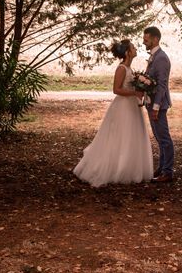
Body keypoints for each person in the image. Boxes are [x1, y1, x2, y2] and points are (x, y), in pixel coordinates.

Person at [73, 39, 154, 187]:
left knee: (131, 136)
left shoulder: (130, 68)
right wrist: (134, 92)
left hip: (132, 106)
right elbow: (116, 90)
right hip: (122, 107)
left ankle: (128, 168)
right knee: (120, 136)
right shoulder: (122, 68)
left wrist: (139, 89)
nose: (136, 49)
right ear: (127, 53)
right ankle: (113, 169)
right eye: (133, 47)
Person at [143, 26, 174, 183]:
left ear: (155, 39)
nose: (144, 42)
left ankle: (168, 172)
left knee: (164, 139)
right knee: (159, 138)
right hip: (151, 103)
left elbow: (162, 85)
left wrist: (155, 107)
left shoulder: (161, 58)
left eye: (146, 39)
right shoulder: (153, 57)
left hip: (158, 105)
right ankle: (162, 168)